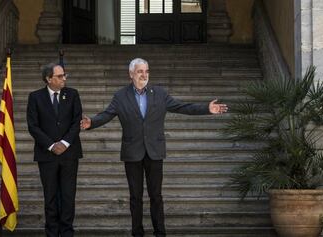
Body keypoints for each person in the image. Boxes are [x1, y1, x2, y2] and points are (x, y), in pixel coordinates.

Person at [80, 58, 228, 237]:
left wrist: (206, 108)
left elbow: (183, 107)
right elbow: (107, 114)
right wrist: (92, 123)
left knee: (156, 196)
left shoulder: (159, 93)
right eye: (140, 71)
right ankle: (137, 233)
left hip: (154, 152)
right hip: (132, 153)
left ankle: (160, 233)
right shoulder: (120, 96)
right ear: (131, 74)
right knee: (135, 197)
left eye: (146, 71)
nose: (144, 75)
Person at [27, 63, 82, 237]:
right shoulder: (35, 97)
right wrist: (51, 145)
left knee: (68, 196)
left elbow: (76, 121)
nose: (64, 78)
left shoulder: (72, 94)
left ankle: (66, 232)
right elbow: (33, 126)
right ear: (48, 79)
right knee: (50, 196)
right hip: (47, 155)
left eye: (64, 75)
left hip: (69, 154)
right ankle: (51, 232)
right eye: (59, 76)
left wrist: (64, 143)